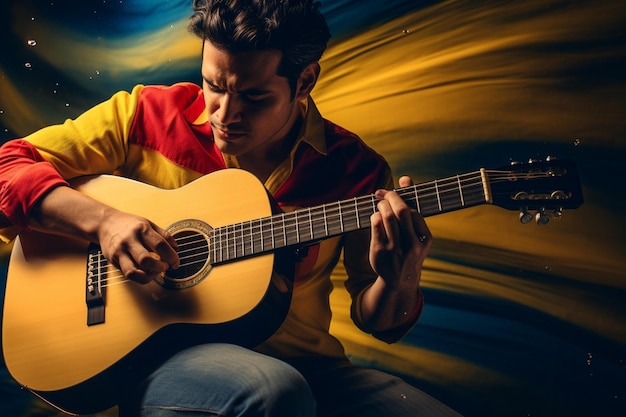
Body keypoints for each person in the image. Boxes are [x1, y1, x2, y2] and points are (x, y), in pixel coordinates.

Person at [0, 1, 462, 416]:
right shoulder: (144, 114)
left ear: (305, 81)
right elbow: (7, 167)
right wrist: (103, 222)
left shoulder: (357, 172)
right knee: (274, 392)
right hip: (159, 359)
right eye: (213, 85)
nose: (224, 112)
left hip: (311, 368)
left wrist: (399, 279)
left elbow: (382, 325)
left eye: (254, 97)